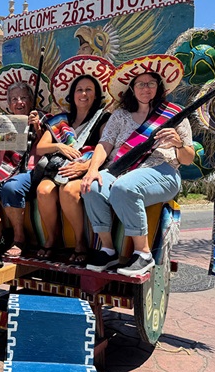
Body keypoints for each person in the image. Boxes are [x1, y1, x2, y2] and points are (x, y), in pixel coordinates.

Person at [80, 54, 195, 276]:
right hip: (121, 169)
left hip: (162, 172)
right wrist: (92, 170)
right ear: (132, 88)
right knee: (92, 187)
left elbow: (187, 159)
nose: (146, 88)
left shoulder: (175, 114)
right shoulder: (120, 115)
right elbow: (105, 144)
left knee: (125, 187)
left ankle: (143, 254)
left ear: (158, 87)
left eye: (151, 83)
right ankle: (107, 249)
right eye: (140, 84)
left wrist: (178, 144)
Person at [35, 56, 115, 263]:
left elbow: (106, 148)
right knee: (43, 191)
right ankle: (52, 238)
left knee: (69, 191)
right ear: (72, 95)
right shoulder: (61, 120)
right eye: (79, 90)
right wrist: (59, 146)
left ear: (96, 95)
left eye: (88, 89)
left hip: (85, 167)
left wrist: (86, 167)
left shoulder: (103, 119)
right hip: (59, 168)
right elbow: (41, 147)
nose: (83, 94)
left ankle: (80, 242)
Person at [0, 64, 51, 256]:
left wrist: (38, 128)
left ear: (31, 100)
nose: (19, 102)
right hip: (6, 170)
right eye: (14, 99)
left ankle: (19, 238)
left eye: (23, 98)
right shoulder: (3, 122)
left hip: (31, 172)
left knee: (12, 187)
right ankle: (0, 234)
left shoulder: (43, 118)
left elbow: (47, 144)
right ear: (8, 103)